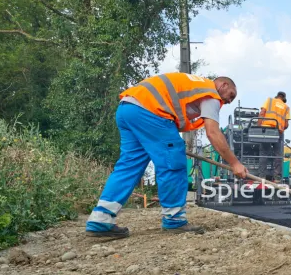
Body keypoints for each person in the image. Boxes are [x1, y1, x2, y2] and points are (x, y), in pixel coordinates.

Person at [86, 73, 249, 239]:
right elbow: (213, 133)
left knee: (128, 166)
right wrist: (235, 163)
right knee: (174, 161)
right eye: (231, 96)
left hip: (128, 108)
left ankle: (101, 219)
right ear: (223, 85)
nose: (229, 101)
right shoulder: (211, 94)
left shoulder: (193, 87)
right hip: (149, 111)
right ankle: (174, 219)